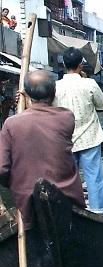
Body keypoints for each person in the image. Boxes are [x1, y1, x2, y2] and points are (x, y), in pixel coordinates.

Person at [0, 70, 85, 228]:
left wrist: (15, 184)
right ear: (54, 92)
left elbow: (2, 170)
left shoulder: (11, 124)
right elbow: (44, 117)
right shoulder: (67, 117)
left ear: (28, 94)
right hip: (67, 196)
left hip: (27, 199)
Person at [52, 47, 103, 214]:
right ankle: (98, 209)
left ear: (64, 64)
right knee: (95, 177)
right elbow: (101, 105)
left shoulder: (55, 87)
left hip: (65, 140)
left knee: (68, 178)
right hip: (89, 138)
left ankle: (68, 210)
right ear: (80, 65)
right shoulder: (89, 83)